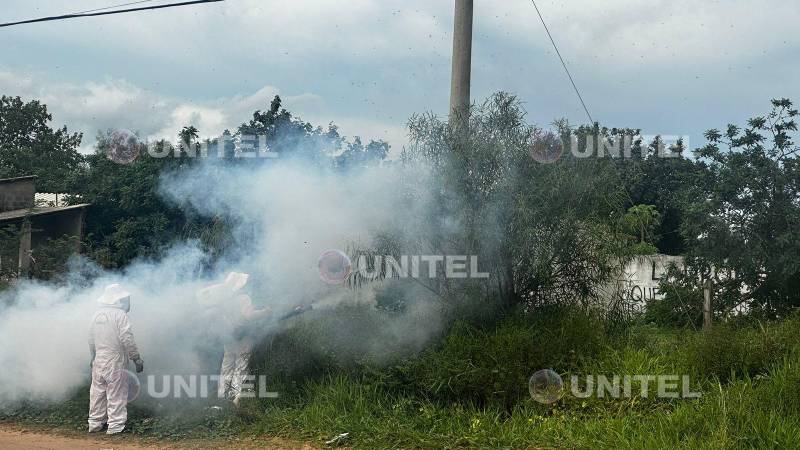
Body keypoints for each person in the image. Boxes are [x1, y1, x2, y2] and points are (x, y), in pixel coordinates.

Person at [197, 272, 271, 405]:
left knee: (227, 366)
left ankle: (222, 395)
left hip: (228, 337)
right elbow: (248, 316)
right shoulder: (243, 298)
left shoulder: (221, 302)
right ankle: (235, 397)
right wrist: (265, 312)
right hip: (243, 336)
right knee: (241, 365)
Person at [88, 283, 144, 434]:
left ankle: (95, 424)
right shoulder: (120, 315)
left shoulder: (97, 315)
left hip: (99, 360)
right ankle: (115, 427)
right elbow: (127, 339)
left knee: (97, 392)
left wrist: (93, 356)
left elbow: (91, 338)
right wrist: (136, 358)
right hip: (115, 361)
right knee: (117, 393)